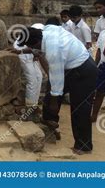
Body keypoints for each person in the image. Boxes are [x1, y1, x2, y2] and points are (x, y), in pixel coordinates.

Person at [18, 25, 98, 155]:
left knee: (79, 108)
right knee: (49, 98)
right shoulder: (47, 30)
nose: (31, 48)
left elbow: (56, 77)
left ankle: (84, 146)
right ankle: (51, 125)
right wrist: (22, 51)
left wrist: (55, 101)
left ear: (36, 42)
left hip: (84, 71)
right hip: (71, 66)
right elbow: (39, 49)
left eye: (30, 46)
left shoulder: (54, 51)